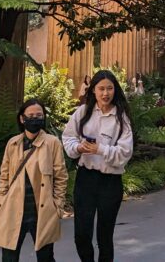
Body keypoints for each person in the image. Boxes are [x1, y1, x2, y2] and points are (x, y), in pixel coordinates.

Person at [63, 70, 134, 262]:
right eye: (101, 88)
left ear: (115, 90)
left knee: (105, 237)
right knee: (82, 235)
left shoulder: (121, 117)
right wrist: (78, 148)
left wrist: (100, 149)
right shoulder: (83, 112)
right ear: (93, 90)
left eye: (109, 88)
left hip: (110, 182)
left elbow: (125, 153)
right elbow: (68, 137)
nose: (105, 93)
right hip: (86, 179)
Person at [0, 99, 68, 261]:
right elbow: (4, 176)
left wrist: (58, 206)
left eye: (39, 115)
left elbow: (60, 177)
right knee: (9, 257)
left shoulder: (52, 143)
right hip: (13, 208)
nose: (35, 119)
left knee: (46, 257)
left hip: (42, 210)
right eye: (31, 116)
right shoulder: (13, 143)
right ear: (22, 118)